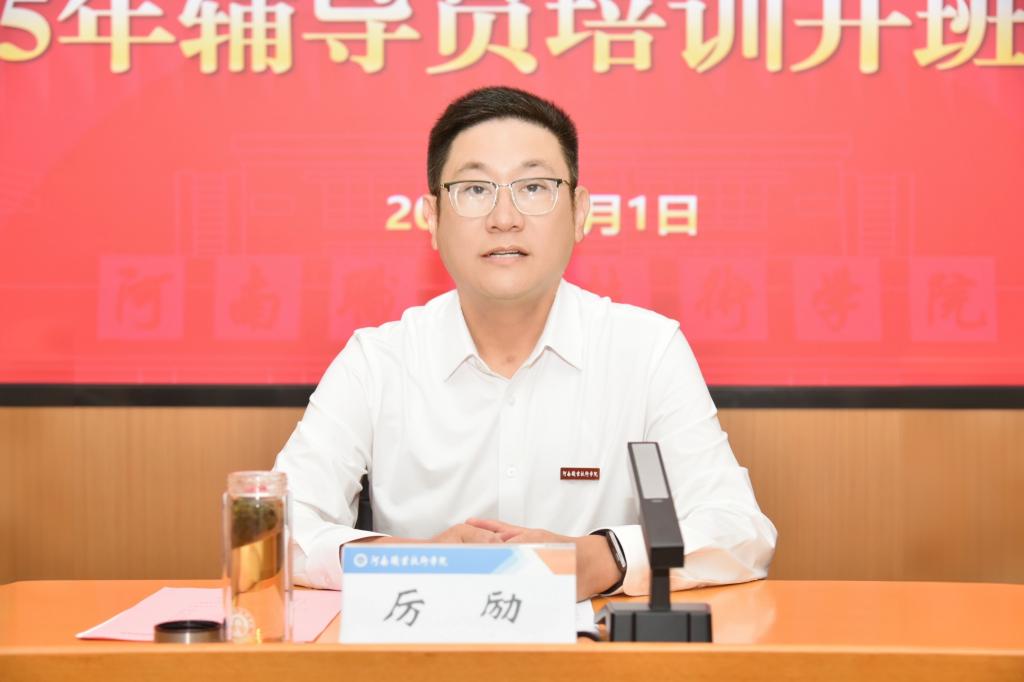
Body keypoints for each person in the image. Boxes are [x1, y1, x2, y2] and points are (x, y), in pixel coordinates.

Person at [273, 86, 776, 600]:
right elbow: (282, 526)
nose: (504, 218)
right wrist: (418, 560)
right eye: (475, 189)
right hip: (424, 640)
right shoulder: (377, 362)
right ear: (433, 218)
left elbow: (739, 529)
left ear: (579, 212)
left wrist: (604, 558)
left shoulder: (646, 351)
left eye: (534, 187)